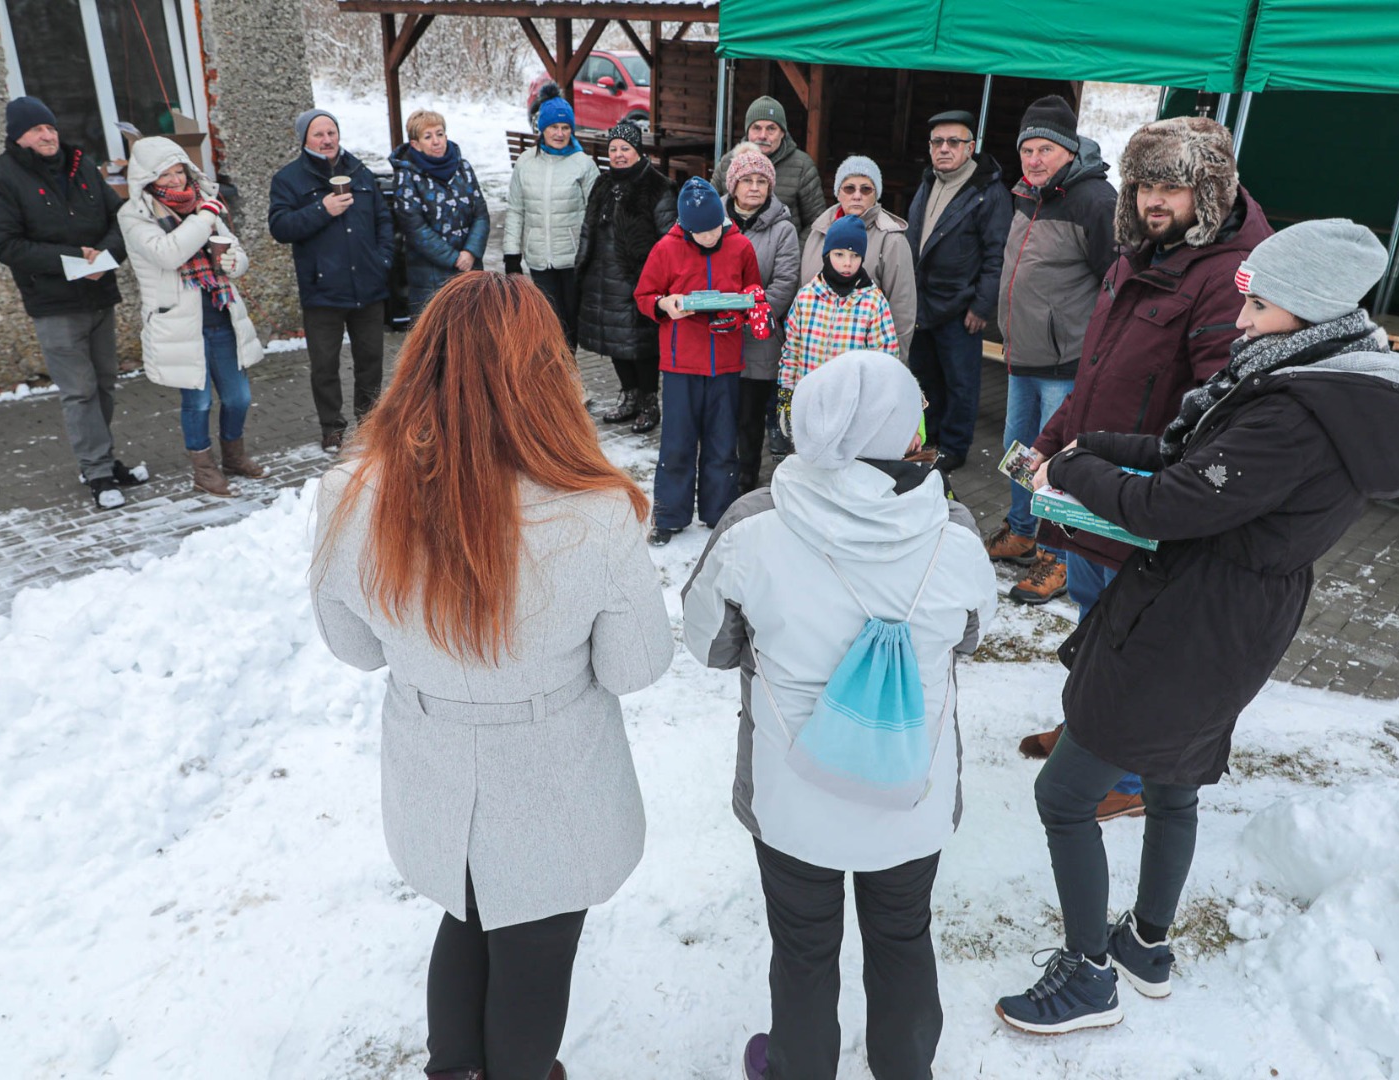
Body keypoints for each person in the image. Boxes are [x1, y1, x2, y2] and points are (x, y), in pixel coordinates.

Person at [995, 219, 1399, 1036]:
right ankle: (1147, 947)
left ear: (1309, 311)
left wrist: (1079, 472)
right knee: (1174, 784)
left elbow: (1175, 502)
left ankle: (1089, 978)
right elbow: (1191, 452)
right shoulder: (1307, 375)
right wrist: (1097, 442)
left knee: (1065, 793)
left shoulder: (1300, 413)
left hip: (1196, 617)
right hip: (1229, 611)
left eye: (1259, 305)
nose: (1240, 321)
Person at [310, 272, 674, 1080]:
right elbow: (633, 664)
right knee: (537, 947)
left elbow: (356, 647)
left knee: (465, 914)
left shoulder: (353, 493)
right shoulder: (592, 507)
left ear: (422, 361)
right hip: (555, 776)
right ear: (546, 373)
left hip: (433, 764)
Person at [682, 349, 998, 1080]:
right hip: (909, 790)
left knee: (801, 947)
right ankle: (904, 1066)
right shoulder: (953, 532)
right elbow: (972, 637)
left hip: (793, 793)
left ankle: (798, 1067)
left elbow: (709, 642)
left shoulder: (753, 525)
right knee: (903, 936)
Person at [1018, 116, 1275, 821]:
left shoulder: (1230, 278)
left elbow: (1218, 411)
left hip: (1141, 498)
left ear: (1212, 193)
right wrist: (1052, 442)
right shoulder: (1139, 252)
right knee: (1096, 628)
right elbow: (1097, 369)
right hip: (1090, 484)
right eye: (1143, 185)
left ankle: (1128, 781)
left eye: (1171, 186)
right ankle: (1086, 738)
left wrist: (1154, 488)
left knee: (1135, 646)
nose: (1152, 200)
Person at [0, 95, 147, 509]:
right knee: (80, 390)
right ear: (18, 136)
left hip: (98, 292)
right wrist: (73, 262)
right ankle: (98, 471)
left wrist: (103, 259)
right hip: (54, 302)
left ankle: (99, 459)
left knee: (104, 382)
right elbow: (6, 244)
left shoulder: (81, 165)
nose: (48, 134)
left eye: (51, 127)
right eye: (37, 129)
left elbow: (118, 218)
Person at [984, 96, 1118, 603]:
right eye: (1027, 150)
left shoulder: (1094, 201)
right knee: (1016, 452)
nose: (1033, 159)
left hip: (1066, 364)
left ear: (1068, 150)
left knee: (1054, 463)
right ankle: (1022, 528)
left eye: (1045, 149)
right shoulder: (1027, 194)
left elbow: (1116, 285)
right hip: (1023, 356)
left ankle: (1057, 557)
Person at [119, 137, 267, 498]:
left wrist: (235, 262)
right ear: (146, 179)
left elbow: (235, 251)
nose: (174, 181)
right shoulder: (135, 216)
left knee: (238, 398)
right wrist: (205, 217)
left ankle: (234, 457)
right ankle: (204, 472)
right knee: (198, 402)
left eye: (178, 171)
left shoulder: (203, 205)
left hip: (220, 315)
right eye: (164, 175)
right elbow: (170, 253)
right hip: (179, 325)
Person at [633, 177, 761, 546]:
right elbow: (644, 294)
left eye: (713, 229)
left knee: (723, 443)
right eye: (700, 231)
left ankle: (718, 513)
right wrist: (664, 304)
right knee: (677, 442)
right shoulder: (665, 249)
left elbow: (753, 292)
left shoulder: (740, 247)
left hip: (725, 363)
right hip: (680, 364)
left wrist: (740, 311)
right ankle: (669, 515)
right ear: (685, 226)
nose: (708, 237)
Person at [268, 108, 394, 454]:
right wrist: (322, 209)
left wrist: (381, 260)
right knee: (325, 365)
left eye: (331, 133)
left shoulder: (359, 171)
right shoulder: (289, 179)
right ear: (305, 139)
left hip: (368, 287)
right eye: (318, 134)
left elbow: (384, 220)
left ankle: (368, 424)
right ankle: (332, 427)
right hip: (322, 290)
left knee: (370, 362)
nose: (327, 140)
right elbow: (280, 228)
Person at [905, 109, 1013, 474]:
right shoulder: (928, 181)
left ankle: (953, 447)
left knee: (960, 382)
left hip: (961, 307)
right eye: (938, 142)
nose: (945, 149)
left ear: (970, 148)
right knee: (925, 377)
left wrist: (982, 306)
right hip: (924, 303)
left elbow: (997, 255)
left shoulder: (988, 192)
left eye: (954, 142)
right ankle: (929, 438)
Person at [577, 122, 678, 434]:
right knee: (614, 343)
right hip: (602, 278)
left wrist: (660, 281)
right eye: (614, 149)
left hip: (638, 280)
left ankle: (649, 401)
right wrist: (582, 265)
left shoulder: (658, 187)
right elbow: (587, 227)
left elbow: (668, 239)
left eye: (625, 149)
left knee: (642, 346)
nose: (618, 155)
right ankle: (629, 395)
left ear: (638, 152)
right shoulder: (603, 183)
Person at [723, 142, 801, 493]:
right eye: (746, 179)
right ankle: (717, 472)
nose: (754, 186)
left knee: (750, 418)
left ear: (770, 186)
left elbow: (785, 281)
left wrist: (753, 313)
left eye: (761, 180)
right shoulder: (716, 224)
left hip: (759, 338)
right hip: (718, 336)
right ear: (733, 185)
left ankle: (746, 476)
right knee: (721, 414)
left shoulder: (782, 229)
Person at [778, 215, 900, 435]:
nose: (847, 263)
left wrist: (874, 404)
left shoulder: (873, 301)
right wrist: (787, 392)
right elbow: (792, 349)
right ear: (827, 255)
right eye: (839, 254)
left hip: (851, 407)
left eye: (855, 256)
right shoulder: (806, 297)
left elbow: (885, 358)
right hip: (809, 401)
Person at [504, 97, 599, 351]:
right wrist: (511, 253)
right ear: (542, 129)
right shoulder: (525, 162)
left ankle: (567, 376)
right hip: (538, 258)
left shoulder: (583, 164)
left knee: (570, 323)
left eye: (565, 127)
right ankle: (551, 378)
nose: (559, 133)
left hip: (573, 259)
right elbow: (515, 209)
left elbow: (597, 213)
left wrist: (594, 254)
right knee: (547, 321)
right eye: (553, 127)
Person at [800, 156, 916, 357]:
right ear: (838, 193)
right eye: (849, 188)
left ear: (876, 195)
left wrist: (893, 367)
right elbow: (802, 293)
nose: (857, 195)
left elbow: (902, 311)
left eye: (866, 189)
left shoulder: (892, 240)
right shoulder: (818, 231)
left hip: (864, 358)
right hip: (815, 354)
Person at [388, 109, 490, 318]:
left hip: (470, 270)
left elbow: (480, 213)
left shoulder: (463, 168)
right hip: (431, 277)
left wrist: (470, 252)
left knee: (475, 336)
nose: (436, 141)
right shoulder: (406, 176)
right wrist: (454, 258)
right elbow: (415, 228)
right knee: (438, 341)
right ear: (415, 144)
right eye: (428, 136)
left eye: (440, 134)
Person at [712, 97, 828, 244]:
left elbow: (817, 221)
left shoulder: (802, 165)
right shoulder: (728, 163)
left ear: (783, 133)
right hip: (732, 256)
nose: (763, 135)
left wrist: (791, 254)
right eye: (756, 128)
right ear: (748, 131)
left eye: (771, 128)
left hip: (781, 260)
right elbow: (709, 209)